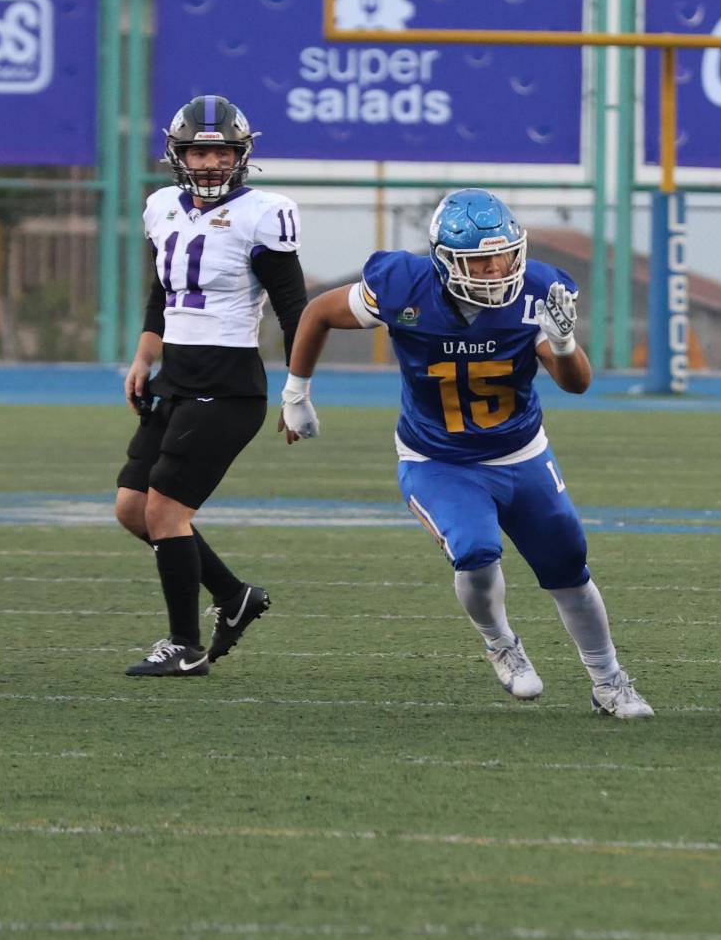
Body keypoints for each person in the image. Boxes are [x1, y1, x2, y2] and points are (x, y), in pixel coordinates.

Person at [277, 188, 652, 717]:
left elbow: (577, 384)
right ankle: (501, 643)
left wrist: (565, 345)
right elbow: (317, 313)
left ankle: (609, 681)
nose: (497, 268)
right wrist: (296, 394)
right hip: (439, 459)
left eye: (504, 254)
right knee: (476, 552)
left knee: (569, 562)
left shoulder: (536, 290)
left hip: (521, 452)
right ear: (445, 261)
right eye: (480, 259)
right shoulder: (403, 286)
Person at [117, 95, 307, 676]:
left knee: (167, 511)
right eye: (198, 150)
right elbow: (162, 296)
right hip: (175, 374)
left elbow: (294, 308)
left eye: (220, 151)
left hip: (227, 384)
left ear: (240, 155)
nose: (208, 163)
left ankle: (185, 646)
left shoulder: (265, 212)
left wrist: (297, 389)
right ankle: (232, 595)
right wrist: (143, 359)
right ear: (179, 155)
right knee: (132, 509)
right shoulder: (160, 207)